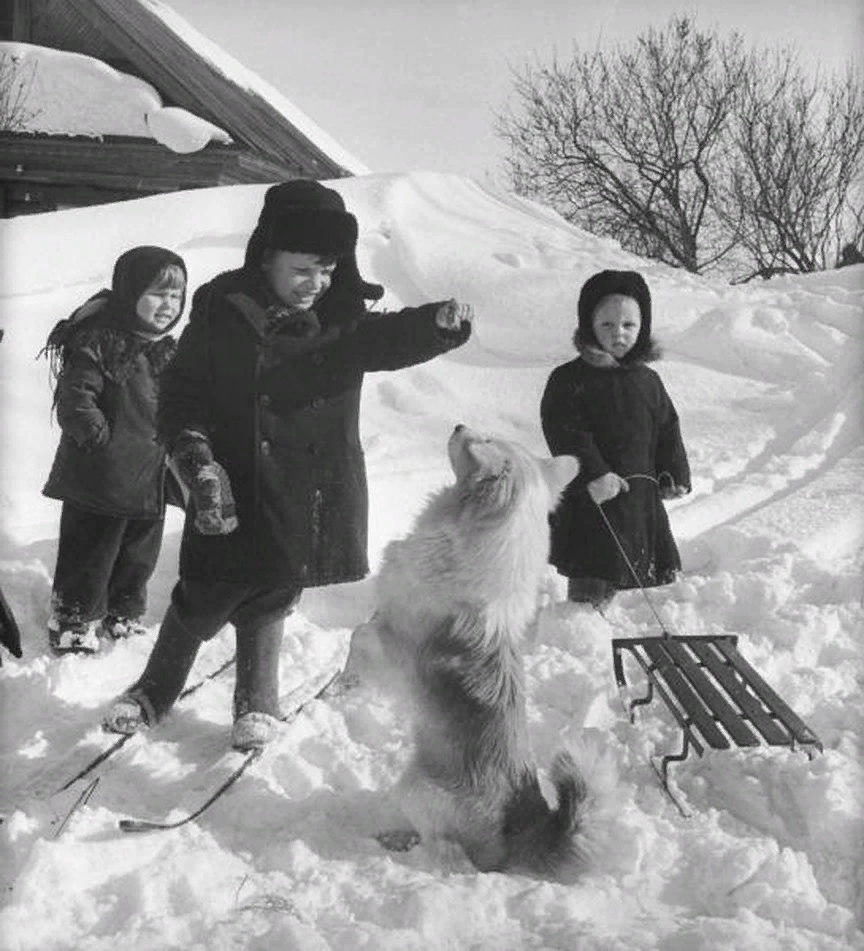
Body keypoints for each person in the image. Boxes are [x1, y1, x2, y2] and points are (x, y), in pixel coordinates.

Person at [103, 179, 474, 751]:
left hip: (306, 487)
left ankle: (257, 702)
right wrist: (190, 448)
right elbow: (182, 388)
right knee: (206, 589)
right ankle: (153, 690)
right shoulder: (222, 308)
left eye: (327, 269)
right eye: (303, 269)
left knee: (275, 587)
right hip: (229, 480)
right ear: (268, 255)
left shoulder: (342, 320)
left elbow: (389, 338)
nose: (316, 283)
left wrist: (436, 326)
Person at [41, 246, 187, 653]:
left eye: (176, 296)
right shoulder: (101, 341)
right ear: (129, 291)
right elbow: (77, 396)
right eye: (158, 293)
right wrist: (98, 440)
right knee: (91, 553)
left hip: (148, 476)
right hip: (100, 478)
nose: (168, 305)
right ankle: (72, 619)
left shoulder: (164, 350)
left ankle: (122, 613)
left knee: (138, 554)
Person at [540, 269, 690, 610]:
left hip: (640, 502)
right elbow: (565, 432)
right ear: (589, 324)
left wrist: (673, 473)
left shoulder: (648, 381)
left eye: (628, 326)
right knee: (595, 572)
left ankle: (641, 639)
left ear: (643, 327)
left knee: (647, 585)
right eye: (606, 325)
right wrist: (594, 473)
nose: (618, 334)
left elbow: (666, 428)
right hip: (594, 501)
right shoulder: (569, 380)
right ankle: (583, 636)